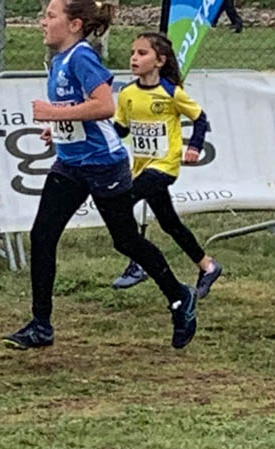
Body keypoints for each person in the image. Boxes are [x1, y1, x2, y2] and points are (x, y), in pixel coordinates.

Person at [2, 0, 198, 351]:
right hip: (70, 164)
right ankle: (41, 325)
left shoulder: (81, 57)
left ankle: (180, 296)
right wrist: (58, 129)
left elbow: (105, 105)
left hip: (103, 164)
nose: (42, 22)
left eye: (50, 16)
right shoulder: (59, 59)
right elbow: (79, 109)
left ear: (74, 24)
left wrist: (51, 114)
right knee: (42, 236)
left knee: (125, 240)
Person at [111, 32, 222, 299]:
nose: (134, 58)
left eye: (142, 53)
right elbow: (121, 130)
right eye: (132, 53)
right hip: (141, 166)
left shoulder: (171, 93)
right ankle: (208, 266)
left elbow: (200, 118)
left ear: (159, 61)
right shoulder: (127, 93)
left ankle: (139, 262)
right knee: (169, 222)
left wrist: (194, 146)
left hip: (164, 166)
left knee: (122, 202)